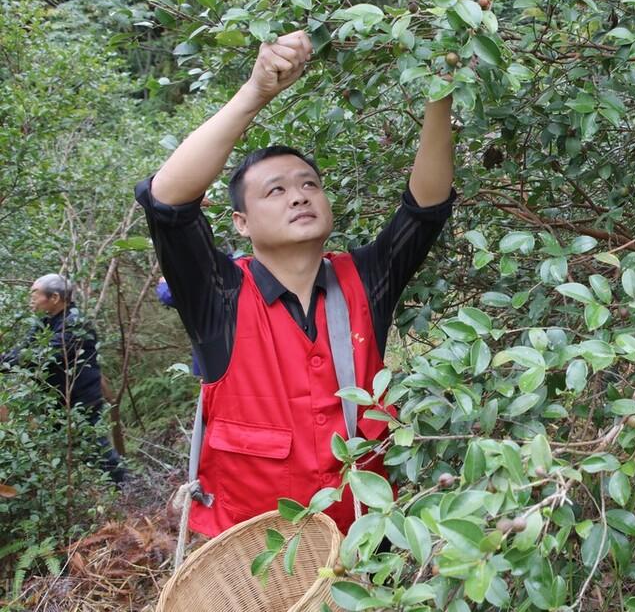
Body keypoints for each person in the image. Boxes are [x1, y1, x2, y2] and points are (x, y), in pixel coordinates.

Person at [135, 31, 455, 536]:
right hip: (252, 565)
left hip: (363, 555)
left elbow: (425, 209)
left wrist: (443, 86)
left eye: (310, 184)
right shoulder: (219, 295)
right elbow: (167, 200)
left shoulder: (365, 281)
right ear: (241, 222)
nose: (299, 196)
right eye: (276, 190)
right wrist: (256, 91)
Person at [1, 274, 125, 485]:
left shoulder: (76, 324)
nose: (31, 299)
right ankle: (81, 494)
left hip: (81, 399)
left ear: (55, 297)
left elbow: (42, 356)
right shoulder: (45, 321)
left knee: (94, 447)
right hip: (57, 398)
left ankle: (125, 487)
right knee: (63, 448)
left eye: (35, 294)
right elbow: (22, 351)